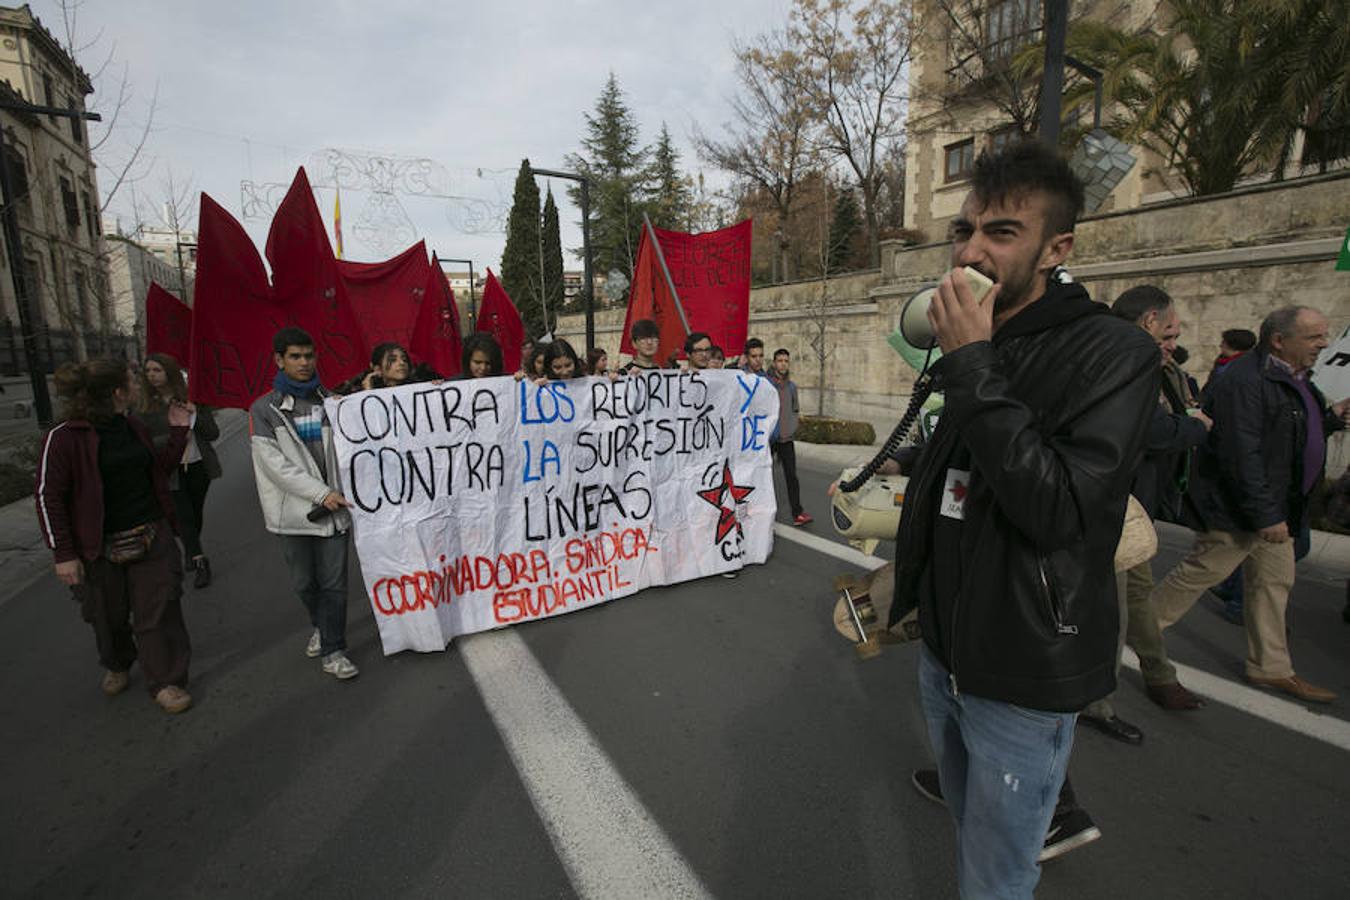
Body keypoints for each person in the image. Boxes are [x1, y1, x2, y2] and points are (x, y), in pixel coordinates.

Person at [891, 141, 1158, 897]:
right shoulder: (983, 341)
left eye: (1002, 232)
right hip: (946, 652)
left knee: (997, 868)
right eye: (964, 230)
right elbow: (972, 477)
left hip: (1022, 668)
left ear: (1056, 249)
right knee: (967, 826)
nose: (971, 251)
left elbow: (1059, 507)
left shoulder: (1113, 352)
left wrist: (973, 364)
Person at [1152, 305, 1349, 703]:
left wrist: (1331, 417)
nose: (1324, 344)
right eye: (1314, 337)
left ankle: (1271, 668)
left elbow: (1290, 434)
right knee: (1196, 577)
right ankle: (1127, 633)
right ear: (1279, 340)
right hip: (1241, 512)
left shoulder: (1296, 378)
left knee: (1273, 585)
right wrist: (1265, 514)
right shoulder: (1244, 381)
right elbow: (1241, 453)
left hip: (1276, 509)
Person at [1077, 287, 1210, 745]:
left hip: (1133, 509)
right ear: (1149, 321)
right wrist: (1193, 428)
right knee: (1113, 612)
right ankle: (1095, 702)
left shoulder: (1146, 362)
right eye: (1168, 333)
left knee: (1135, 596)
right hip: (1113, 507)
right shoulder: (1118, 360)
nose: (1173, 344)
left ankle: (1159, 675)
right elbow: (1143, 429)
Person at [36, 358, 195, 713]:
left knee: (159, 610)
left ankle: (166, 681)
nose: (139, 385)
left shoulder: (132, 427)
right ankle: (118, 661)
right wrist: (64, 554)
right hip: (97, 549)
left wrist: (178, 431)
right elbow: (48, 497)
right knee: (107, 617)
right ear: (117, 392)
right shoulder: (63, 439)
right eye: (133, 381)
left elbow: (157, 471)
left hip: (150, 533)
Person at [249, 327, 359, 681]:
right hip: (294, 515)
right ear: (279, 360)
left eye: (309, 356)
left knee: (334, 585)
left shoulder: (334, 403)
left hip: (335, 512)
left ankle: (333, 649)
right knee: (304, 584)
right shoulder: (264, 410)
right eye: (295, 357)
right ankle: (321, 626)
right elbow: (276, 467)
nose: (304, 363)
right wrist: (320, 493)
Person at [139, 353, 222, 589]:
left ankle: (191, 546)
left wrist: (194, 414)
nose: (152, 375)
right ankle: (199, 560)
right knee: (183, 515)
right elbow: (145, 440)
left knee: (195, 514)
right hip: (171, 470)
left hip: (198, 465)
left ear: (169, 372)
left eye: (157, 370)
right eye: (148, 371)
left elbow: (213, 433)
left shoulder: (191, 397)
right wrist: (175, 435)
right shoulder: (145, 406)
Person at [767, 348, 812, 526]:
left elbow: (795, 409)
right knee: (763, 475)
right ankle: (760, 512)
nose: (783, 364)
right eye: (780, 361)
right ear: (774, 363)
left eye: (786, 361)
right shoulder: (767, 384)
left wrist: (792, 429)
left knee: (792, 476)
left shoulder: (792, 387)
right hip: (769, 439)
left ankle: (797, 513)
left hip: (786, 439)